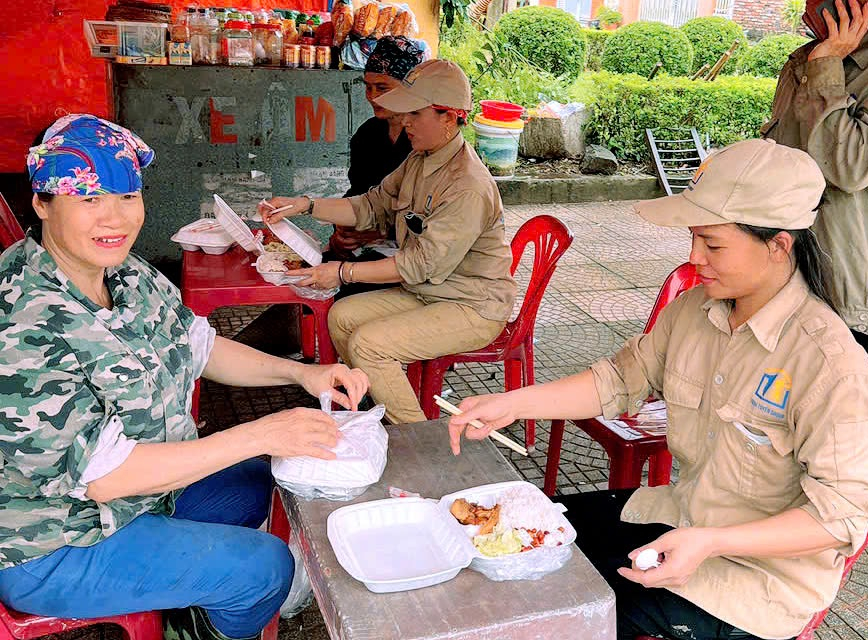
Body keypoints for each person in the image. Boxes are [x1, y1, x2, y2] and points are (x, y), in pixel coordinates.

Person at [447, 139, 868, 640]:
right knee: (524, 538)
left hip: (753, 583)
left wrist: (709, 542)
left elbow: (840, 520)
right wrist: (512, 402)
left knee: (555, 610)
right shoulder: (694, 312)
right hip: (680, 515)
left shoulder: (832, 367)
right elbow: (619, 380)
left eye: (713, 243)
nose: (694, 257)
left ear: (778, 245)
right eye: (693, 238)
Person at [0, 115, 369, 640]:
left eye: (127, 196)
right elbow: (106, 478)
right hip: (54, 542)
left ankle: (192, 597)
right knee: (265, 568)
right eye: (88, 199)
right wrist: (261, 432)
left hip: (140, 498)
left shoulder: (125, 272)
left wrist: (305, 374)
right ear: (41, 203)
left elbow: (201, 347)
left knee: (270, 480)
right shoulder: (19, 319)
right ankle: (198, 629)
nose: (115, 217)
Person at [260, 60, 516, 426]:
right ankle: (371, 413)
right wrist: (305, 205)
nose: (405, 122)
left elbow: (419, 264)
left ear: (449, 117)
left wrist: (343, 272)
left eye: (415, 113)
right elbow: (370, 205)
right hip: (429, 291)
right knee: (341, 316)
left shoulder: (467, 186)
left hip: (473, 306)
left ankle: (417, 437)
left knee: (370, 344)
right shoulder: (419, 159)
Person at [763, 0, 868, 355]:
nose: (806, 6)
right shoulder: (804, 61)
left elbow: (850, 166)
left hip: (846, 289)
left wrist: (826, 65)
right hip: (782, 273)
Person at [324, 35, 424, 298]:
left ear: (409, 88)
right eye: (368, 87)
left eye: (382, 88)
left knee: (346, 290)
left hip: (413, 256)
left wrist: (378, 231)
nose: (372, 97)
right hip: (368, 242)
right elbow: (357, 191)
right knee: (311, 269)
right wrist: (341, 232)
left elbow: (431, 217)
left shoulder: (427, 140)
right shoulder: (368, 134)